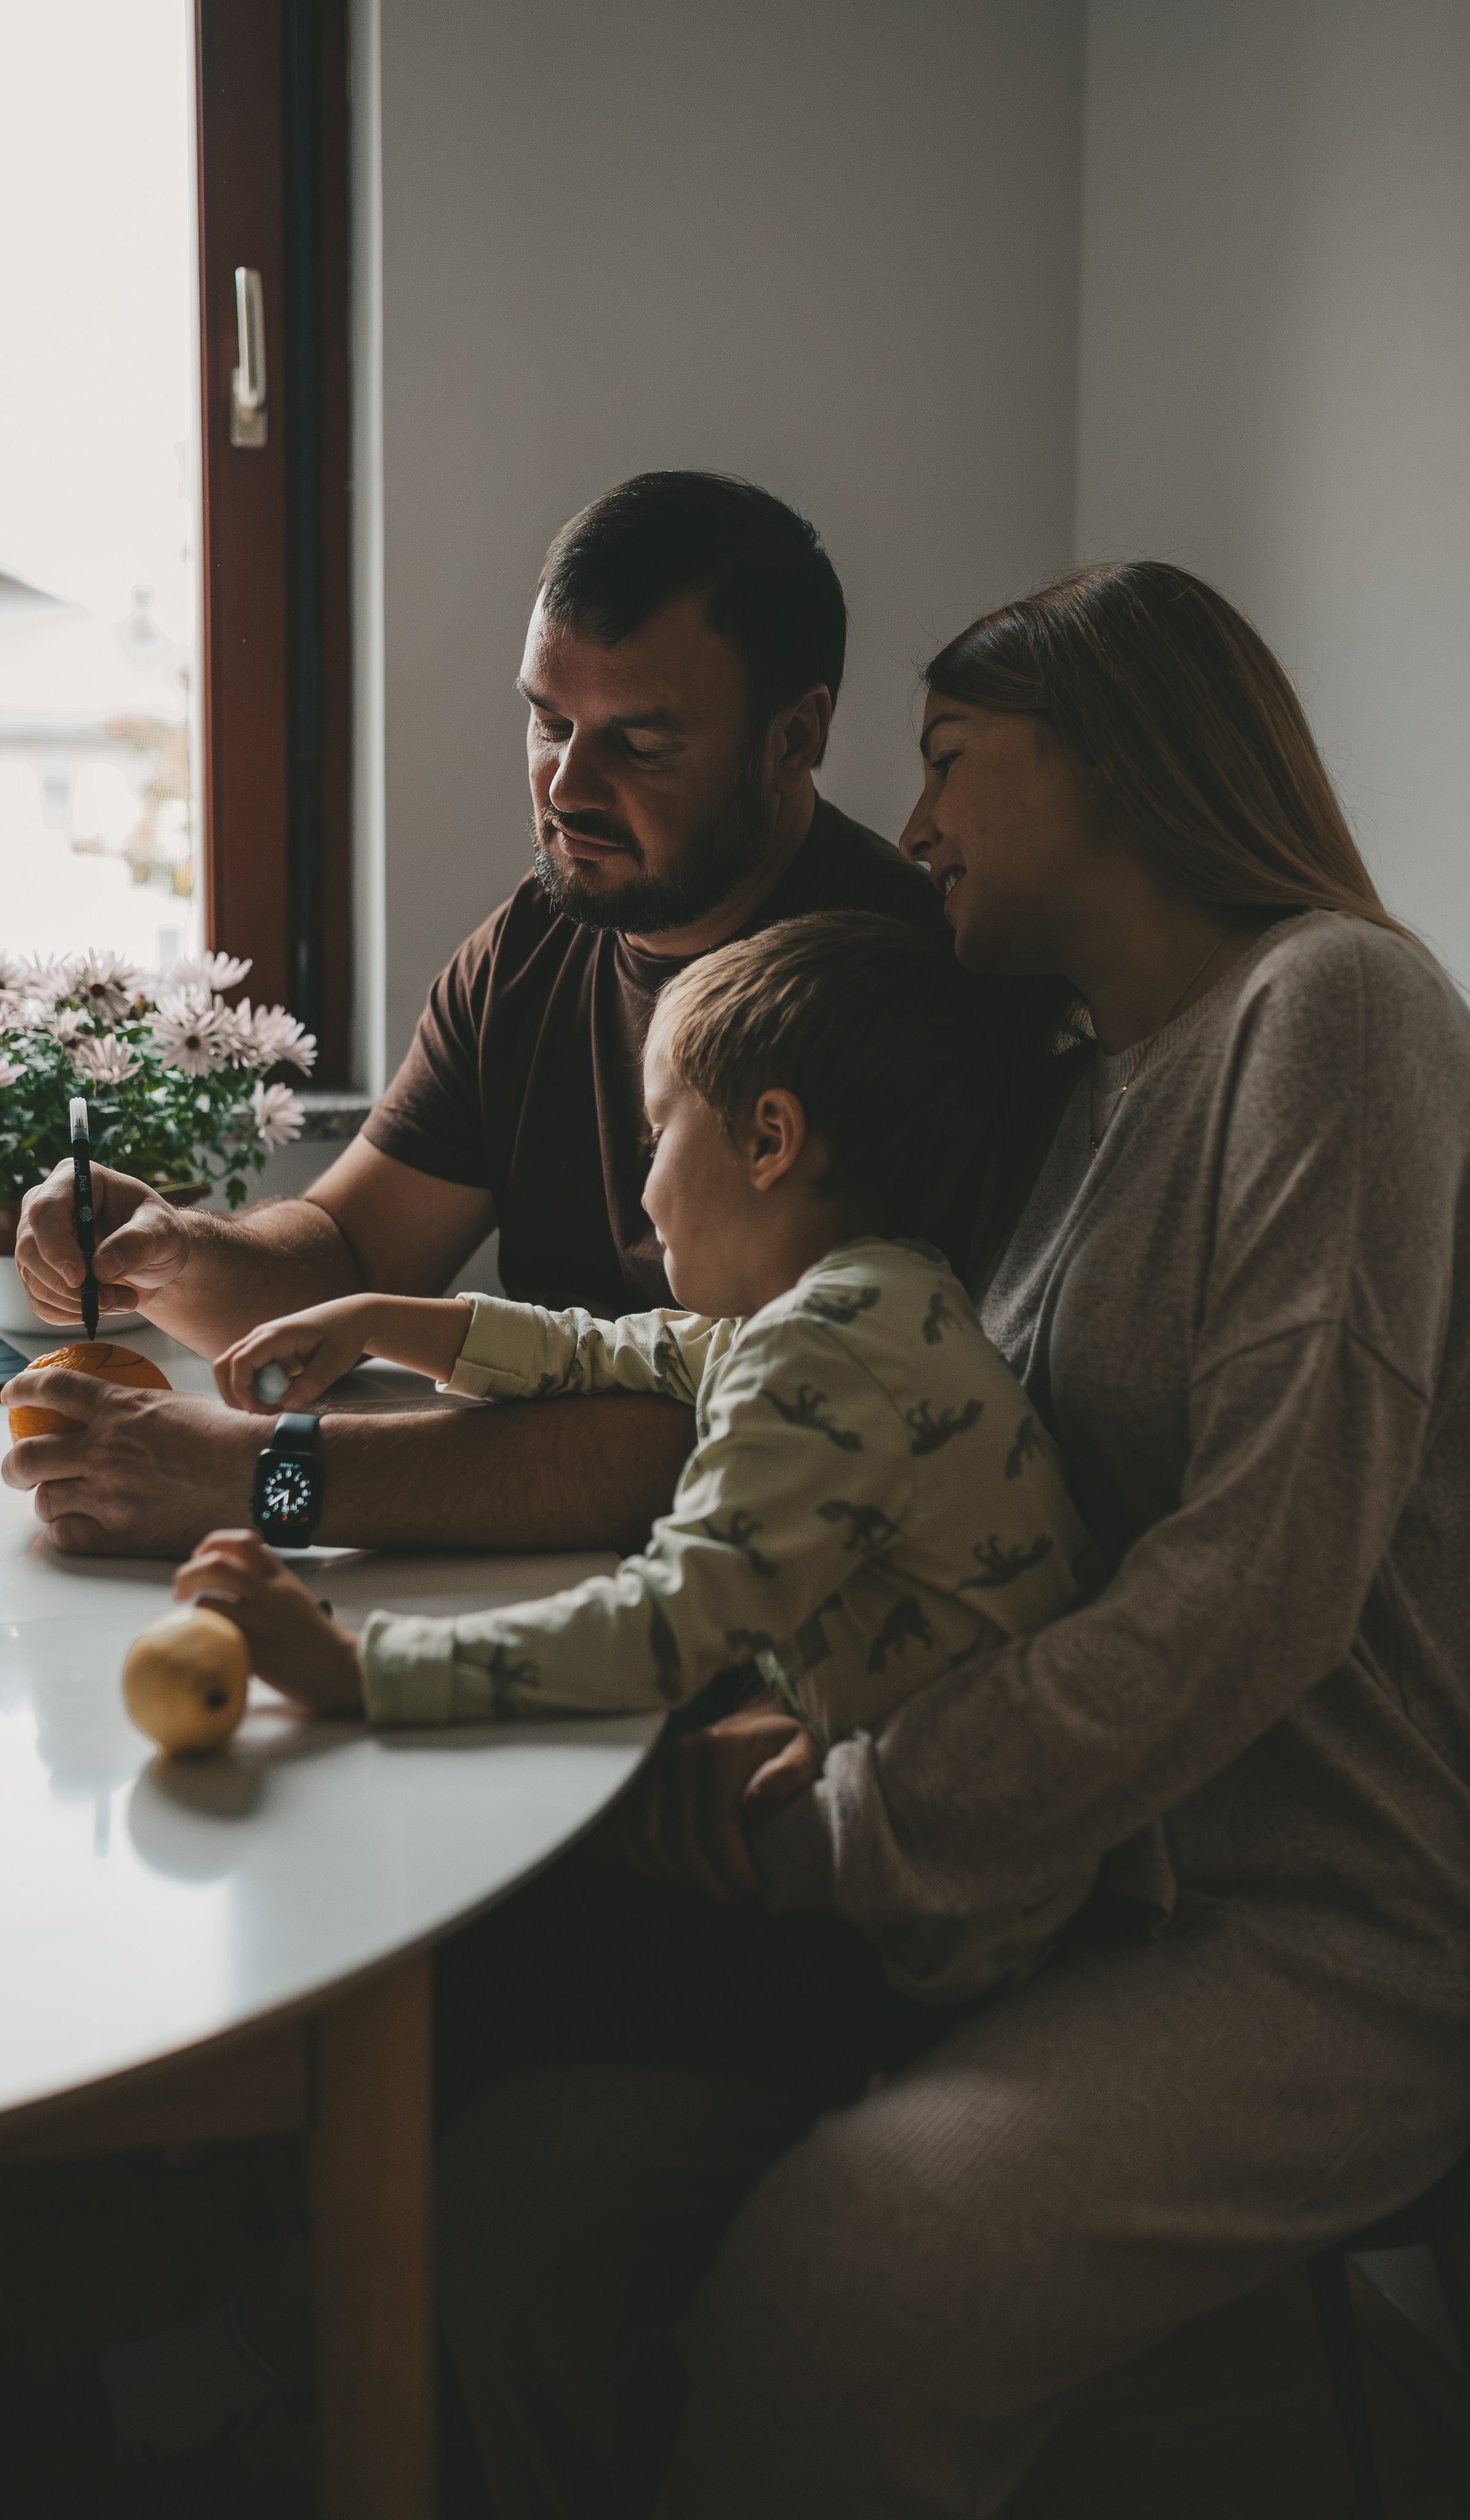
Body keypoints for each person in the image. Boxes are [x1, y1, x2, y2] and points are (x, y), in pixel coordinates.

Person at [432, 562, 1470, 2517]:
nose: (908, 830)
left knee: (848, 2268)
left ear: (1120, 759)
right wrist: (279, 1432)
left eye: (950, 763)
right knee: (514, 2197)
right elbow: (828, 1422)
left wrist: (852, 1804)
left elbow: (1253, 1582)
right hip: (1031, 1866)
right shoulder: (1060, 1086)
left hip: (1294, 1919)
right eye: (548, 727)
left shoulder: (1330, 1012)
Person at [2, 472, 946, 1562]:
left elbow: (743, 1423)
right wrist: (170, 1251)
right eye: (548, 722)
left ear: (795, 739)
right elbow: (355, 1250)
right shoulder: (535, 944)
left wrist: (264, 1481)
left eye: (640, 745)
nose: (566, 790)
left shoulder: (893, 986)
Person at [174, 911, 1099, 2004]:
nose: (641, 1184)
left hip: (941, 1940)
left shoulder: (820, 1348)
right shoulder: (889, 1296)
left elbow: (663, 1629)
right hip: (965, 1866)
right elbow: (606, 1350)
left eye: (658, 1136)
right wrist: (376, 1318)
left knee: (456, 1930)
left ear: (769, 1140)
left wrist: (357, 1672)